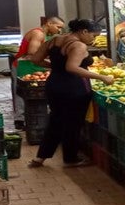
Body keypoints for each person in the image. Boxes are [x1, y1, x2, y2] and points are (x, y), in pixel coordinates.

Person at [27, 19, 113, 168]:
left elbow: (35, 59)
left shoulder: (55, 40)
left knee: (56, 120)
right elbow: (72, 67)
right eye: (93, 36)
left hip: (54, 85)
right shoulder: (78, 45)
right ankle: (71, 158)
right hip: (73, 88)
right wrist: (102, 77)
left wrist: (54, 66)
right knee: (73, 123)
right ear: (84, 31)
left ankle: (40, 157)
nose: (93, 40)